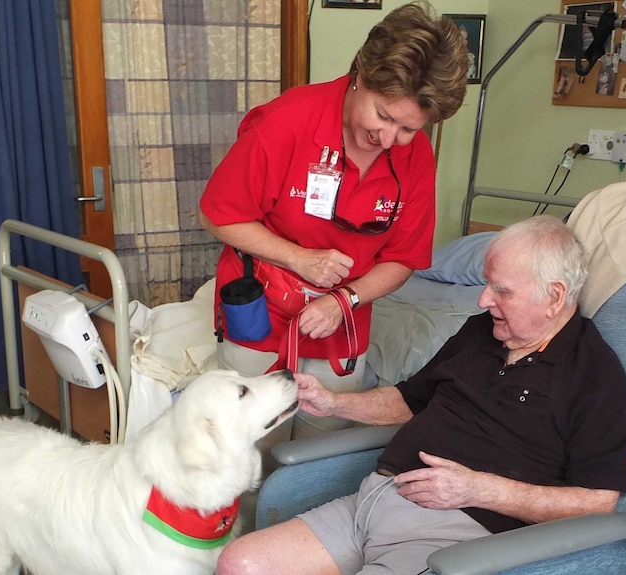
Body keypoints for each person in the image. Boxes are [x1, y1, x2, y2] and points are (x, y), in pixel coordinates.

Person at [216, 215, 626, 575]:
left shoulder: (595, 379)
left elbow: (597, 503)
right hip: (372, 501)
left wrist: (477, 490)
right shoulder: (481, 332)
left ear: (555, 296)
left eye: (502, 291)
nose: (483, 299)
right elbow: (408, 400)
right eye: (487, 283)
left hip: (451, 533)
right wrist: (334, 402)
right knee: (241, 562)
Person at [199, 2, 469, 439]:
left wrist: (343, 300)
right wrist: (299, 259)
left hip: (341, 324)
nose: (388, 140)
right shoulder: (288, 121)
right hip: (259, 312)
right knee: (243, 453)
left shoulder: (414, 156)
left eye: (408, 129)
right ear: (360, 74)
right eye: (383, 116)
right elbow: (217, 214)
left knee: (317, 455)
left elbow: (403, 258)